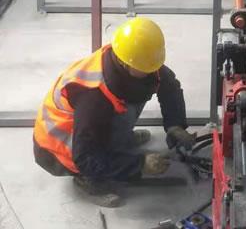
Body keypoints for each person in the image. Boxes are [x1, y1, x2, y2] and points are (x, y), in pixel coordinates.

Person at [33, 18, 195, 207]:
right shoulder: (94, 96)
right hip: (59, 149)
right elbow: (84, 157)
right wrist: (139, 164)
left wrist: (175, 125)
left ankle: (118, 143)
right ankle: (88, 180)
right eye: (145, 67)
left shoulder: (135, 58)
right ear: (124, 62)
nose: (152, 71)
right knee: (95, 152)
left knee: (135, 94)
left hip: (87, 129)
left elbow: (169, 86)